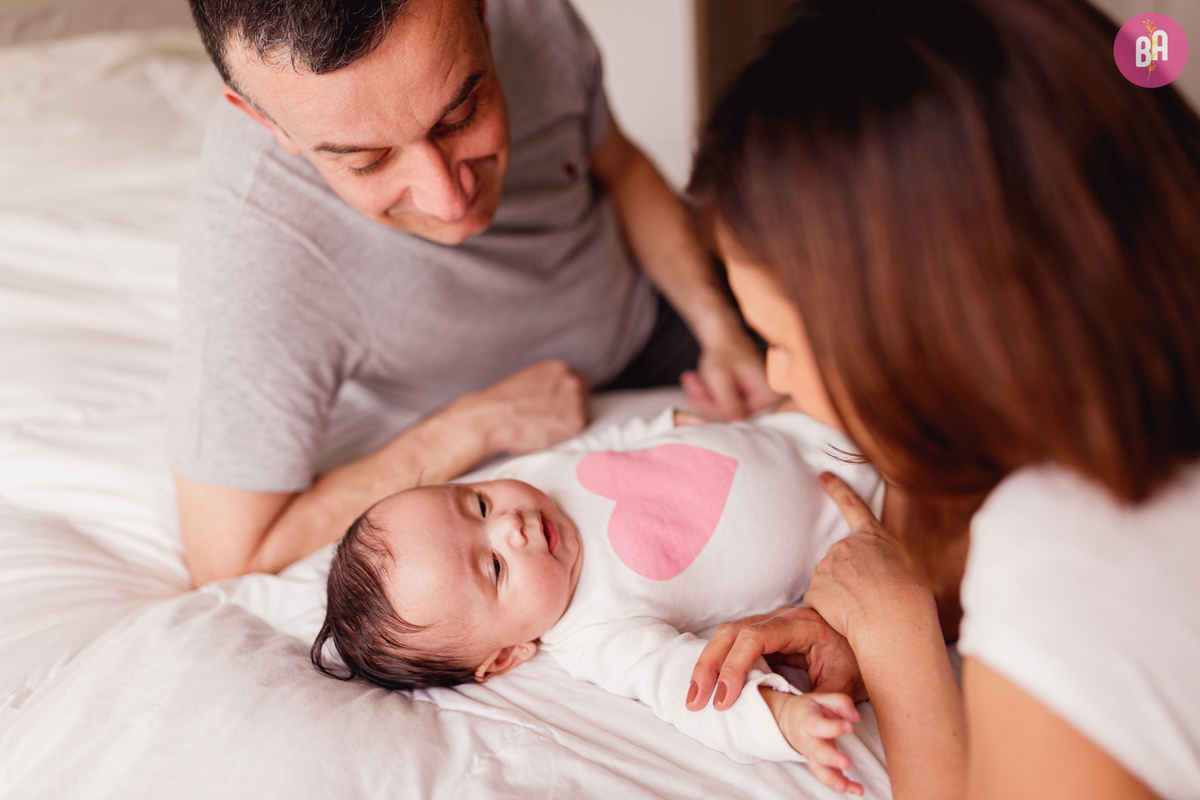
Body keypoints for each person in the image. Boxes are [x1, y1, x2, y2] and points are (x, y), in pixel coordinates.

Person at [682, 1, 1200, 798]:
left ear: (926, 330)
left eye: (780, 338)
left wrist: (901, 652)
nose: (778, 378)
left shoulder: (1067, 549)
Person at [170, 0, 775, 587]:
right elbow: (231, 557)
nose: (449, 202)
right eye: (368, 161)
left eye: (460, 115)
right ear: (264, 121)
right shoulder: (253, 247)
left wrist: (717, 326)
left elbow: (620, 167)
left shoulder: (534, 19)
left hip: (658, 305)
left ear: (484, 14)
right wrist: (468, 429)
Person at [312, 407, 882, 792]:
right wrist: (784, 719)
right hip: (873, 514)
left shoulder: (528, 479)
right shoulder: (598, 631)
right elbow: (688, 687)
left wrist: (673, 420)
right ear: (508, 655)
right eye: (494, 567)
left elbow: (604, 444)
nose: (511, 525)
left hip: (807, 419)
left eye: (476, 504)